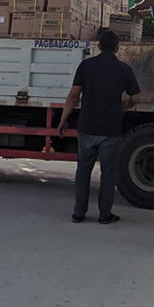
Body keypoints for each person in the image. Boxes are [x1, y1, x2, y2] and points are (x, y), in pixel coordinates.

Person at [57, 30, 140, 224]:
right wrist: (125, 108)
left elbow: (73, 96)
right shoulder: (124, 69)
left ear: (99, 46)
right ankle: (104, 215)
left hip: (86, 128)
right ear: (117, 49)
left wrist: (63, 120)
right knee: (108, 174)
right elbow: (135, 98)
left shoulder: (86, 66)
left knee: (83, 171)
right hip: (110, 130)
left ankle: (78, 213)